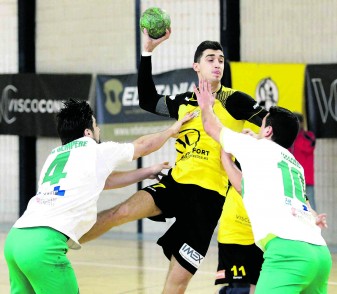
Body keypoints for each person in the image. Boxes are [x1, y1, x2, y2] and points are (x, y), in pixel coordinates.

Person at [79, 30, 267, 293]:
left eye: (221, 60)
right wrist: (147, 51)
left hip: (208, 200)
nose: (217, 64)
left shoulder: (235, 101)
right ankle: (59, 245)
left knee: (176, 284)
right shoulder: (183, 102)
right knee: (119, 212)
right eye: (210, 59)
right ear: (196, 66)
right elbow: (146, 99)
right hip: (176, 184)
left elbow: (270, 123)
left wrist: (255, 136)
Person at [4, 98, 193, 294]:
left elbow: (106, 181)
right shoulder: (94, 149)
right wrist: (172, 130)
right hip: (43, 247)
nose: (99, 130)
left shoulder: (55, 155)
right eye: (96, 125)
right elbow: (143, 146)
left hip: (15, 239)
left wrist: (147, 172)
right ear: (87, 132)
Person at [195, 79, 332, 293]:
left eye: (262, 125)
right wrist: (227, 158)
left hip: (287, 253)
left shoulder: (256, 148)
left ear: (268, 131)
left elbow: (211, 126)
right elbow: (243, 187)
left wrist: (205, 105)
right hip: (320, 254)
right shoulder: (294, 165)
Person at [289, 112, 316, 210]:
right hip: (292, 177)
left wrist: (296, 135)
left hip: (306, 179)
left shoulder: (309, 136)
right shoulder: (289, 137)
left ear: (301, 123)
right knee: (293, 206)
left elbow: (308, 148)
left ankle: (315, 224)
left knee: (310, 206)